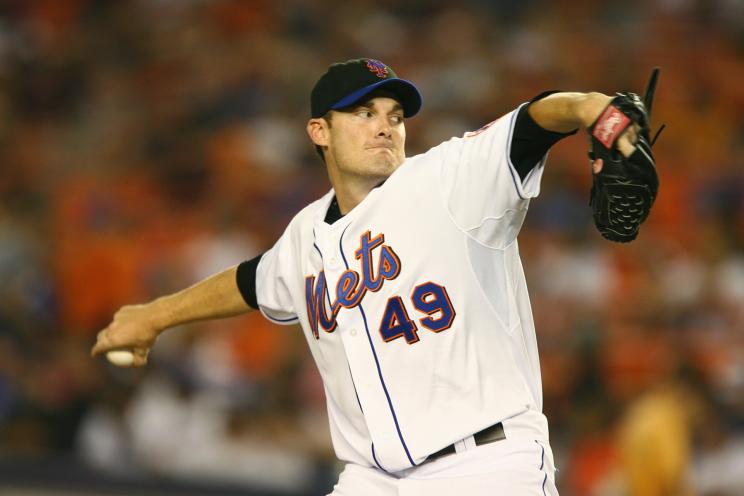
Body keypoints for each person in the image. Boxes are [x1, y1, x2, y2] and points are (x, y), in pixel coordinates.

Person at [92, 58, 642, 495]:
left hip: (485, 466)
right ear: (319, 130)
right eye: (364, 112)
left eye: (395, 116)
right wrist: (153, 316)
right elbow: (251, 281)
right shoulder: (306, 233)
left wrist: (595, 108)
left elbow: (537, 119)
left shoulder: (447, 181)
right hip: (372, 479)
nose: (385, 125)